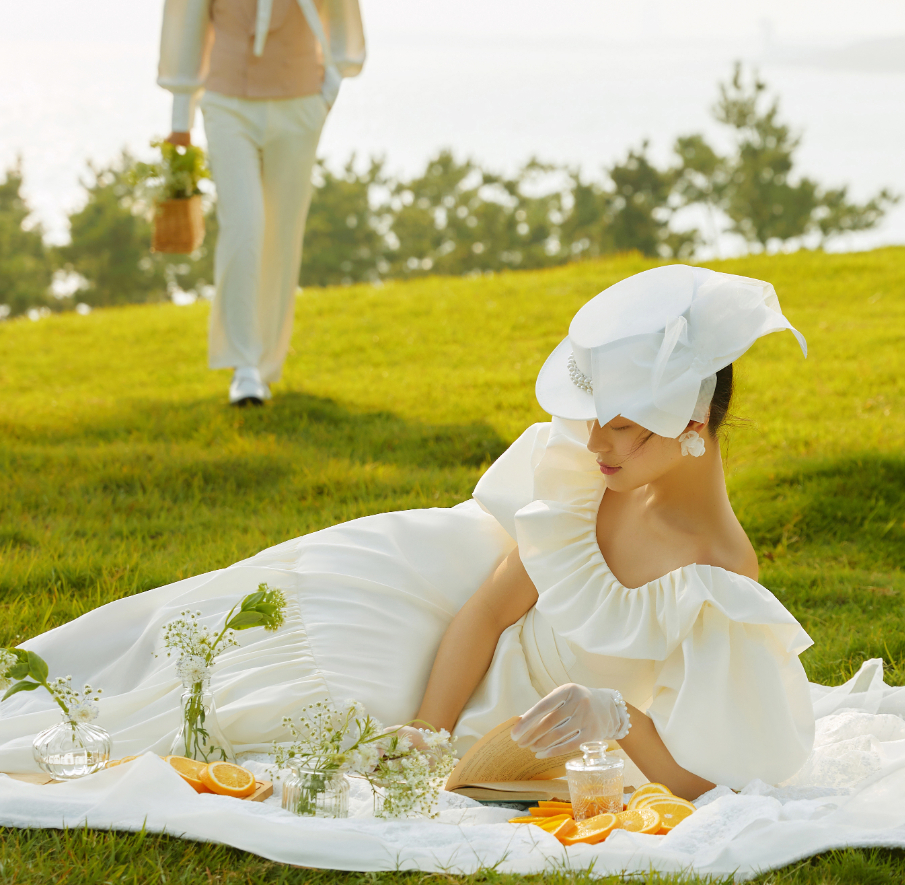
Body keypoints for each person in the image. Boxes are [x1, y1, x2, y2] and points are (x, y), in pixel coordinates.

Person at [0, 266, 815, 797]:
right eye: (594, 419)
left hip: (510, 721)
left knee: (270, 717)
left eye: (626, 428)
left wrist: (616, 719)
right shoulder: (590, 483)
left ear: (693, 424)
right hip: (434, 618)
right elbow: (487, 613)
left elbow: (714, 787)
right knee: (239, 639)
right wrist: (426, 732)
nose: (595, 443)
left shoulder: (720, 576)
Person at [158, 0, 366, 407]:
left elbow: (346, 27)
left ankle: (267, 361)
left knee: (282, 234)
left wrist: (329, 87)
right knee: (245, 228)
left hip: (300, 105)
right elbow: (186, 40)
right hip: (227, 104)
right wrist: (179, 123)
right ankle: (243, 366)